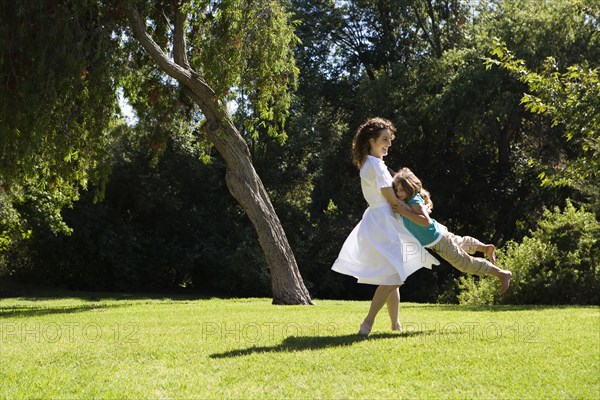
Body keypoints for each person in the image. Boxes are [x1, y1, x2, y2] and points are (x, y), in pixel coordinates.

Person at [332, 118, 439, 336]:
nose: (388, 144)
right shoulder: (374, 166)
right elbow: (393, 200)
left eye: (390, 140)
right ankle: (368, 323)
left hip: (382, 220)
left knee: (393, 276)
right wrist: (419, 211)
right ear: (371, 141)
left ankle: (395, 325)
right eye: (384, 140)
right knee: (395, 275)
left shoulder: (374, 164)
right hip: (383, 222)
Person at [392, 167, 512, 294]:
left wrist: (403, 211)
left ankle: (502, 274)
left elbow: (425, 221)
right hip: (438, 234)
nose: (399, 193)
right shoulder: (410, 199)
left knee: (465, 264)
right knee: (460, 242)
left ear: (410, 188)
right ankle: (485, 248)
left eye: (402, 190)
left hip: (438, 240)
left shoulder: (413, 200)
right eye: (397, 190)